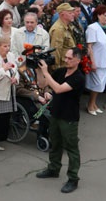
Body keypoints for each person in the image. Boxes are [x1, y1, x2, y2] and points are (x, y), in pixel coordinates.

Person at [35, 47, 86, 193]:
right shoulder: (61, 71)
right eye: (66, 57)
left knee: (71, 148)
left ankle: (73, 178)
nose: (66, 60)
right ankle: (53, 168)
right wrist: (39, 70)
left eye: (70, 58)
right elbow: (43, 84)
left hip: (69, 117)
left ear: (78, 60)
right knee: (55, 143)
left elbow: (58, 89)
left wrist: (46, 73)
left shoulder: (78, 77)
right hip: (56, 114)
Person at [85, 5, 106, 114]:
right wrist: (92, 62)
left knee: (101, 84)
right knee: (96, 84)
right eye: (104, 15)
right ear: (98, 15)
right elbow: (90, 46)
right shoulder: (92, 28)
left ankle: (94, 104)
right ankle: (90, 104)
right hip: (97, 60)